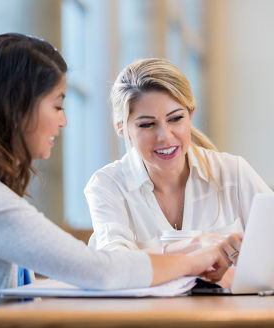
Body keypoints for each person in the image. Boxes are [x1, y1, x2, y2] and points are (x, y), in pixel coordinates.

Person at [0, 34, 231, 328]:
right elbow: (100, 271)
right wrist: (195, 260)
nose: (63, 121)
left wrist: (190, 250)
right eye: (57, 105)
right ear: (18, 106)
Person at [85, 58, 272, 257]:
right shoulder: (107, 186)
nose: (165, 136)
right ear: (123, 129)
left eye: (175, 119)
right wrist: (193, 248)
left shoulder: (233, 173)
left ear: (191, 115)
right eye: (147, 124)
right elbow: (114, 264)